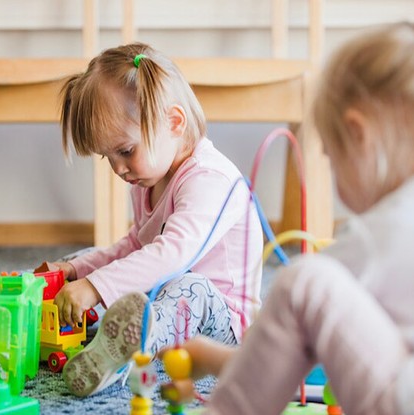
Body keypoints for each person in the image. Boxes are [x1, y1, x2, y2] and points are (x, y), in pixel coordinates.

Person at [161, 22, 414, 414]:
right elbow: (283, 357)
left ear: (358, 135)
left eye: (330, 158)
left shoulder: (384, 232)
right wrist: (215, 359)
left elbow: (284, 336)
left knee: (303, 282)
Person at [47, 42, 263, 397]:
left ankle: (129, 348)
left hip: (223, 324)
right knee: (82, 262)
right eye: (108, 157)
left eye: (125, 151)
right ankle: (84, 326)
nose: (118, 168)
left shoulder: (211, 178)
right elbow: (135, 246)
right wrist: (77, 272)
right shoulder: (148, 179)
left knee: (191, 287)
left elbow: (172, 255)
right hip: (164, 299)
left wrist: (97, 286)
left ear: (174, 122)